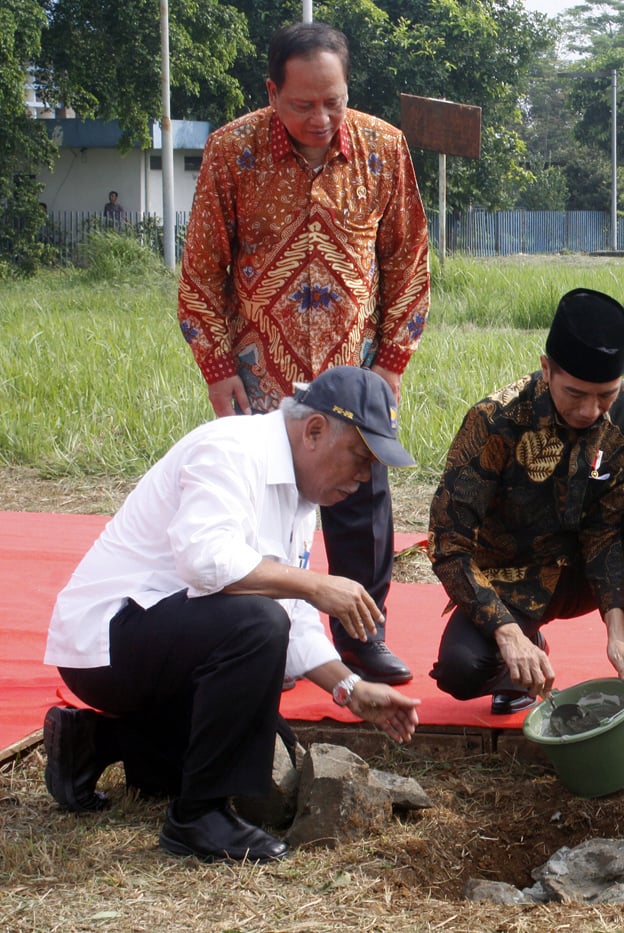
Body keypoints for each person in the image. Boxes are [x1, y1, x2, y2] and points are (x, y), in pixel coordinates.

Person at [43, 366, 422, 863]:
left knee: (259, 733)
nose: (366, 477)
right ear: (314, 432)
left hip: (163, 642)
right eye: (360, 456)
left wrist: (350, 687)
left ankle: (92, 742)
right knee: (256, 629)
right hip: (106, 642)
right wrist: (316, 584)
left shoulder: (301, 494)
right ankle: (197, 818)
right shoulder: (231, 449)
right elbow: (206, 562)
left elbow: (292, 613)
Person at [177, 22, 430, 686]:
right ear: (272, 92)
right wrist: (216, 368)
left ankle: (361, 637)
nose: (320, 119)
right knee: (262, 511)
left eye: (334, 102)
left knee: (362, 500)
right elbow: (202, 270)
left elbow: (408, 263)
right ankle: (264, 644)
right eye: (302, 104)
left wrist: (392, 362)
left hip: (357, 369)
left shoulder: (385, 149)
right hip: (263, 379)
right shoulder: (231, 152)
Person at [428, 288, 624, 728]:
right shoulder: (493, 421)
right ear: (546, 369)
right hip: (512, 578)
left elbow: (605, 526)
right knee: (461, 671)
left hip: (582, 572)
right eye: (575, 394)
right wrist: (508, 634)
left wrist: (617, 633)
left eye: (605, 396)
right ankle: (525, 658)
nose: (590, 411)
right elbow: (448, 545)